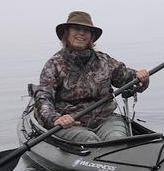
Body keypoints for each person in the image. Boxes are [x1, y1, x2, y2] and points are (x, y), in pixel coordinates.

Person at [34, 11, 150, 143]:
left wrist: (141, 77)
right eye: (76, 29)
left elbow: (128, 80)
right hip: (71, 124)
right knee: (89, 140)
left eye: (86, 30)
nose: (81, 33)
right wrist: (55, 119)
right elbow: (43, 98)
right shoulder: (54, 64)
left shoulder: (104, 60)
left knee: (116, 139)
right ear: (66, 33)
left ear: (91, 37)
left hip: (106, 120)